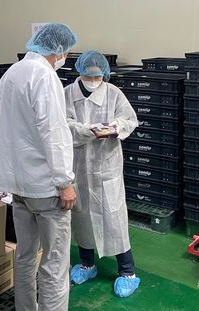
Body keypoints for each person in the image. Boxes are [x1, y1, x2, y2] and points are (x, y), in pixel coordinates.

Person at [0, 23, 78, 311]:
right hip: (45, 187)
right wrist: (65, 182)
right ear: (58, 50)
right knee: (55, 262)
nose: (65, 57)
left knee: (25, 256)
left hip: (18, 184)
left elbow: (13, 130)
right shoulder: (44, 76)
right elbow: (53, 131)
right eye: (66, 52)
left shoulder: (12, 73)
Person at [63, 51, 141, 298]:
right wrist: (86, 130)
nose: (93, 81)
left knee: (114, 218)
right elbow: (62, 124)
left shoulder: (113, 93)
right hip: (78, 167)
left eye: (97, 77)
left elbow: (129, 119)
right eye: (89, 76)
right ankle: (87, 264)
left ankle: (127, 272)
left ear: (104, 75)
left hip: (106, 168)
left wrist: (116, 126)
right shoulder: (67, 94)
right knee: (81, 217)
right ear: (80, 72)